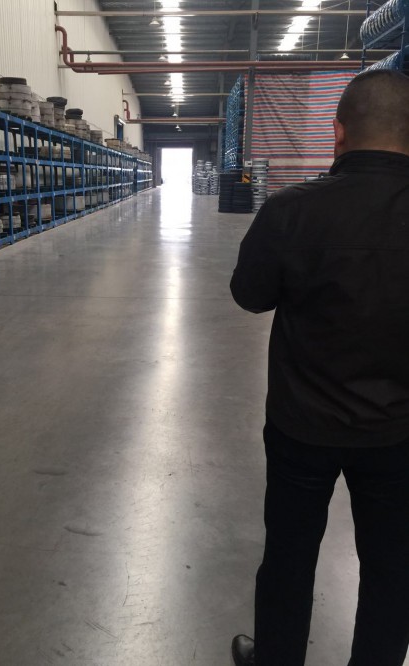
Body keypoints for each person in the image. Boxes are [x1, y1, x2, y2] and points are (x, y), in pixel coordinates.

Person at [229, 69, 409, 666]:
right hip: (398, 431)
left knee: (289, 554)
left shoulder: (291, 210)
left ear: (338, 132)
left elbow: (249, 294)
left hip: (301, 425)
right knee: (392, 566)